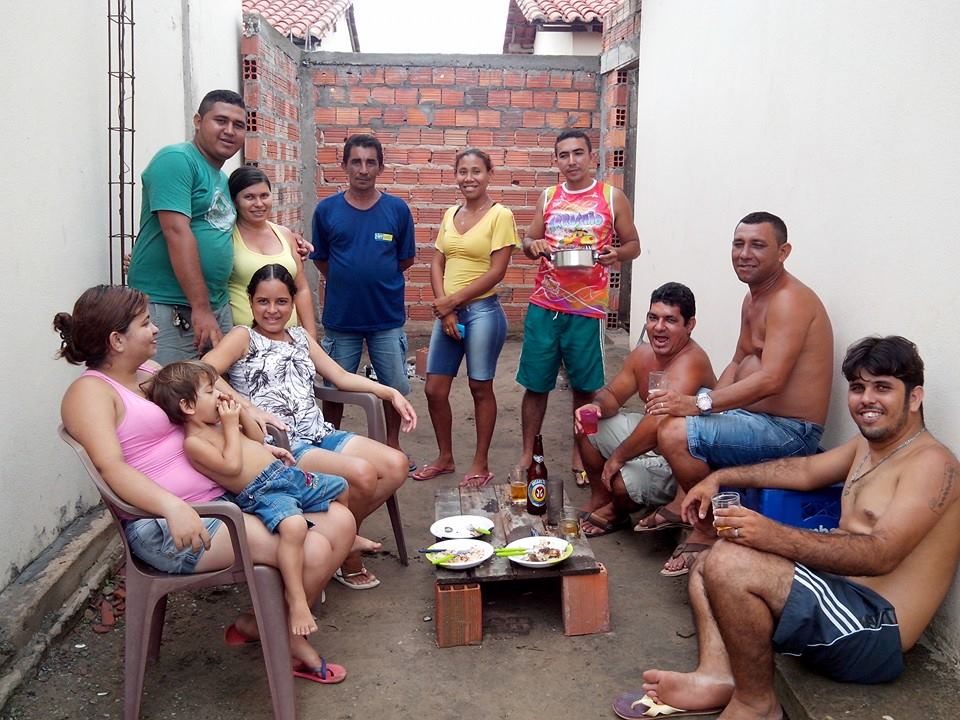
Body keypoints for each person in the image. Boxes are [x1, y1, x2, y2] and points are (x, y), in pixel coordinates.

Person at [617, 336, 960, 720]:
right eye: (858, 388)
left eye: (883, 388)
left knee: (730, 563)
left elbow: (882, 555)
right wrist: (720, 478)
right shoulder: (869, 446)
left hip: (874, 629)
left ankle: (758, 705)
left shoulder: (932, 464)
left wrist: (771, 535)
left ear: (914, 398)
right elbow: (806, 470)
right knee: (707, 562)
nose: (866, 399)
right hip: (837, 596)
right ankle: (719, 677)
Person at [56, 285, 354, 681]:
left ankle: (265, 626)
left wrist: (254, 443)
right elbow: (112, 468)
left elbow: (203, 408)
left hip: (223, 497)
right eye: (145, 323)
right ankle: (285, 639)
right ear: (117, 340)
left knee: (343, 522)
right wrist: (172, 506)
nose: (156, 329)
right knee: (313, 549)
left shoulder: (147, 372)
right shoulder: (90, 392)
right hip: (169, 524)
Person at [203, 264, 417, 590]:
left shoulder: (301, 337)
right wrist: (247, 407)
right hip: (282, 445)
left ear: (292, 302)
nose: (272, 310)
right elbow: (204, 371)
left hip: (319, 432)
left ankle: (339, 538)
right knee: (362, 473)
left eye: (281, 302)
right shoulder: (243, 337)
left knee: (396, 464)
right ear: (250, 302)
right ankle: (347, 553)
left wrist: (389, 392)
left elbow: (340, 376)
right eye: (263, 302)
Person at [644, 211, 834, 575]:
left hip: (790, 431)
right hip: (754, 418)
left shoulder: (788, 300)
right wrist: (706, 407)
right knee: (680, 406)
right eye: (738, 244)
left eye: (758, 245)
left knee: (674, 431)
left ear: (783, 252)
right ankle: (688, 500)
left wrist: (699, 405)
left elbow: (771, 380)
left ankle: (706, 528)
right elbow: (738, 361)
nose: (744, 254)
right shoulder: (754, 297)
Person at [147, 360, 349, 638]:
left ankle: (351, 542)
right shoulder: (194, 443)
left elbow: (256, 438)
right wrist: (231, 427)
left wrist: (241, 413)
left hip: (284, 476)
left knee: (341, 486)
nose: (219, 395)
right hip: (263, 492)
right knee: (294, 527)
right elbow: (231, 466)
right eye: (210, 392)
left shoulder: (218, 423)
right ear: (188, 406)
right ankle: (297, 600)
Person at [516, 129, 641, 486]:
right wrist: (533, 245)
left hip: (588, 309)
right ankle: (527, 452)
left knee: (585, 387)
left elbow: (633, 244)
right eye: (564, 155)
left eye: (577, 153)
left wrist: (617, 253)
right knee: (535, 384)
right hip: (545, 305)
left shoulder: (611, 197)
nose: (571, 161)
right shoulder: (549, 196)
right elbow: (528, 240)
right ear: (556, 160)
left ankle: (580, 453)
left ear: (591, 157)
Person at [574, 283, 716, 537]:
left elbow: (658, 421)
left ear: (690, 325)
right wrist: (595, 407)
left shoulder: (691, 361)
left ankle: (617, 510)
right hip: (652, 438)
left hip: (682, 460)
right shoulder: (643, 354)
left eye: (670, 320)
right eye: (653, 318)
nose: (658, 327)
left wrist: (618, 458)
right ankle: (600, 498)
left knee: (622, 485)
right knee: (587, 424)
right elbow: (613, 395)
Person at [411, 149, 518, 487]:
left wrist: (452, 302)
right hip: (450, 313)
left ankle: (480, 463)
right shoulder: (450, 214)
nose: (469, 178)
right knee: (434, 388)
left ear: (489, 174)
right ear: (455, 175)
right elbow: (437, 262)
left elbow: (497, 272)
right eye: (462, 171)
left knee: (479, 387)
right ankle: (445, 457)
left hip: (483, 313)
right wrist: (446, 308)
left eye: (476, 171)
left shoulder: (501, 216)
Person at [310, 134, 416, 460]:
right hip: (342, 318)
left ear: (381, 167)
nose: (363, 169)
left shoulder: (396, 210)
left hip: (386, 318)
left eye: (371, 162)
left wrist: (373, 276)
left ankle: (391, 446)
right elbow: (321, 259)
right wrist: (348, 278)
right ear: (344, 165)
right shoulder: (327, 210)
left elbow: (405, 259)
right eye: (356, 161)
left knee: (393, 386)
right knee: (334, 388)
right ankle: (330, 447)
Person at [127, 90, 246, 364]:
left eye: (238, 125)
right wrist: (200, 308)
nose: (229, 131)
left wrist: (286, 239)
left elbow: (228, 228)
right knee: (173, 386)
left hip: (214, 306)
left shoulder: (221, 178)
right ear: (198, 121)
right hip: (172, 308)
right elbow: (176, 232)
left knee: (214, 387)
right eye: (220, 120)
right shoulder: (177, 160)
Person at [226, 166, 317, 338]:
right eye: (249, 197)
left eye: (264, 196)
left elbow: (301, 288)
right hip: (245, 341)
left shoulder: (285, 235)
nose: (259, 204)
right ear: (235, 201)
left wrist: (310, 337)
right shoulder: (226, 239)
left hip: (287, 339)